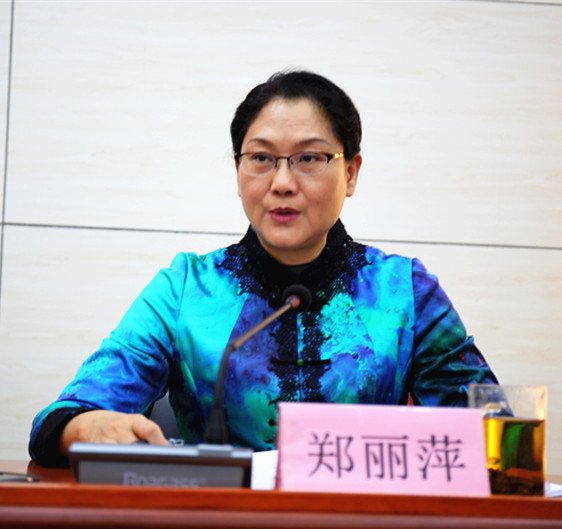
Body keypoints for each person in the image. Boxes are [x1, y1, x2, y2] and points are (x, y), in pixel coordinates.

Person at [29, 70, 498, 467]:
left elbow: (491, 431)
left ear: (351, 172)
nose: (282, 183)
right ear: (238, 172)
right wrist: (84, 426)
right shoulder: (187, 289)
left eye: (309, 158)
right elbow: (63, 417)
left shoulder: (403, 292)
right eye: (261, 159)